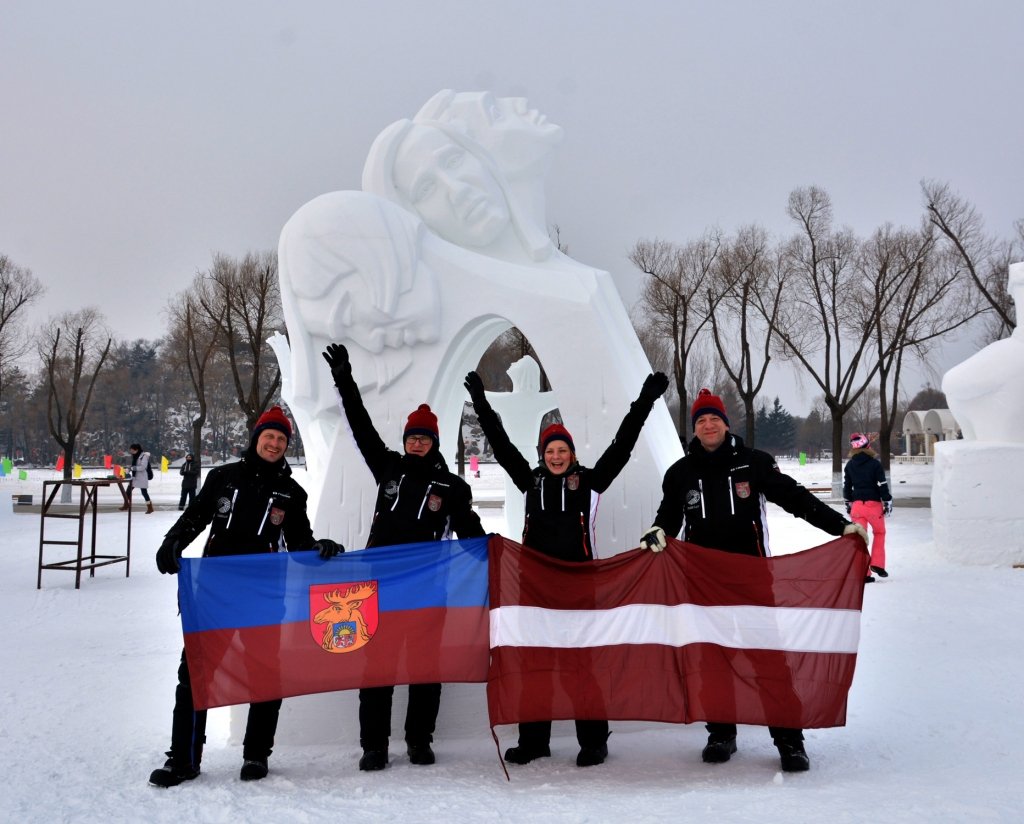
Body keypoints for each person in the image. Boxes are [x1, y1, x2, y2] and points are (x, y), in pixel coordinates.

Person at [640, 388, 868, 773]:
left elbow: (795, 499)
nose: (708, 425)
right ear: (694, 429)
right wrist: (659, 531)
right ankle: (721, 733)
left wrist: (840, 525)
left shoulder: (753, 463)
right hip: (703, 584)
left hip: (752, 582)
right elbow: (669, 515)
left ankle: (789, 740)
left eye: (714, 419)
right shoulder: (680, 472)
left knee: (768, 660)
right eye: (700, 421)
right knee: (712, 659)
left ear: (726, 424)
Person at [465, 368, 669, 768]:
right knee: (535, 663)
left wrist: (645, 399)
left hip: (579, 588)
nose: (556, 457)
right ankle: (534, 740)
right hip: (535, 589)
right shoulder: (531, 481)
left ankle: (594, 740)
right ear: (542, 455)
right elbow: (502, 444)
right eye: (550, 451)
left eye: (562, 450)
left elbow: (622, 445)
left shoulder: (590, 482)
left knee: (583, 665)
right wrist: (482, 404)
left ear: (572, 454)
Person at [148, 406, 343, 788]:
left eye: (281, 439)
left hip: (265, 598)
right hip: (215, 595)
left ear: (287, 446)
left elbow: (299, 542)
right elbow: (196, 516)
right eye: (269, 436)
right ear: (256, 438)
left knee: (264, 676)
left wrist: (320, 547)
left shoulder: (291, 492)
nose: (274, 443)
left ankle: (256, 755)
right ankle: (184, 759)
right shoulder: (223, 477)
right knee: (195, 676)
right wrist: (172, 542)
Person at [323, 342, 485, 772]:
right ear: (405, 440)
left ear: (434, 442)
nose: (417, 442)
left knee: (424, 670)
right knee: (376, 669)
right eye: (412, 436)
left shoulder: (452, 487)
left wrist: (489, 550)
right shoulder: (388, 467)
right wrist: (344, 378)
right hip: (377, 586)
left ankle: (418, 741)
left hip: (428, 590)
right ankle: (374, 745)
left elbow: (468, 530)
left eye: (425, 437)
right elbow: (359, 425)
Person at [843, 433, 892, 582]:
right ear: (867, 446)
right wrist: (887, 501)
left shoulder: (850, 465)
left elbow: (847, 487)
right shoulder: (875, 464)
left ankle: (863, 573)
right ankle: (877, 564)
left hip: (857, 506)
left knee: (860, 539)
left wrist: (848, 502)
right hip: (874, 505)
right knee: (879, 533)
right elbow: (882, 485)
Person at [119, 443, 153, 514]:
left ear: (136, 449)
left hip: (142, 477)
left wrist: (132, 468)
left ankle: (150, 507)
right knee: (128, 491)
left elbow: (143, 467)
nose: (131, 451)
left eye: (132, 450)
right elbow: (134, 465)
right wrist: (129, 469)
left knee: (144, 493)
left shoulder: (144, 456)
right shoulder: (135, 456)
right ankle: (126, 505)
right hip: (135, 477)